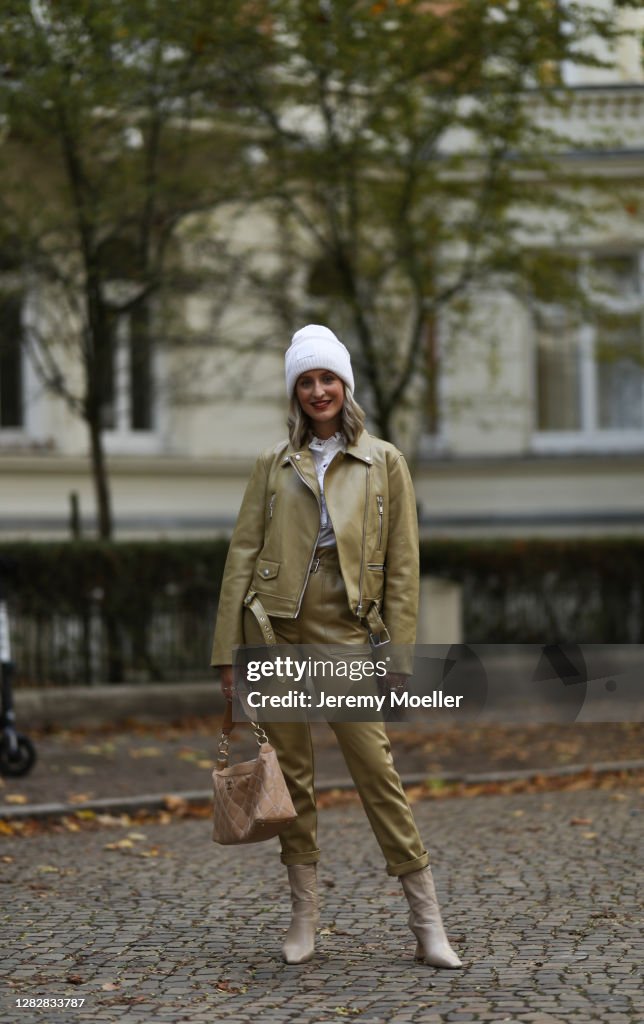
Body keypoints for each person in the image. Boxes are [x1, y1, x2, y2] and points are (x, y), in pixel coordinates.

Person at [211, 324, 462, 969]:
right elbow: (241, 554)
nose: (317, 390)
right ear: (294, 392)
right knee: (291, 780)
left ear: (344, 386)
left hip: (349, 635)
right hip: (275, 633)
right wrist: (226, 656)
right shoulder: (273, 464)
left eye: (327, 379)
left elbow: (403, 566)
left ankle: (427, 920)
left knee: (378, 774)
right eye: (305, 381)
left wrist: (398, 658)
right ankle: (304, 917)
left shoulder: (385, 462)